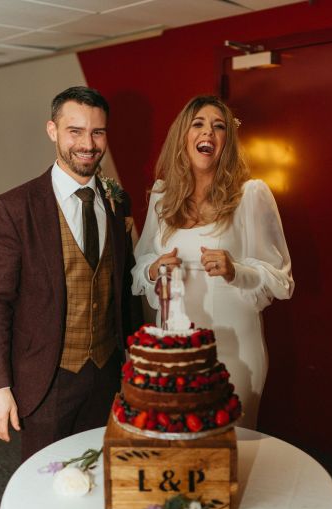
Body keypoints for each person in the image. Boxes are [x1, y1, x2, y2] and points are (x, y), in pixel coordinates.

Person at [0, 86, 140, 460]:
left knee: (101, 472)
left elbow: (123, 287)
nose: (88, 143)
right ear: (52, 130)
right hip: (46, 379)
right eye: (75, 131)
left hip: (107, 374)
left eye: (97, 132)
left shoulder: (117, 201)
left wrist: (133, 362)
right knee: (43, 478)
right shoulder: (15, 207)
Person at [131, 95, 294, 430]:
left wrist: (237, 270)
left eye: (219, 127)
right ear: (183, 137)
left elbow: (282, 280)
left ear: (226, 143)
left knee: (232, 451)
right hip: (176, 351)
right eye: (199, 124)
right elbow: (137, 267)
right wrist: (153, 268)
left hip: (234, 352)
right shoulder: (162, 197)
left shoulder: (251, 195)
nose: (209, 132)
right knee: (180, 444)